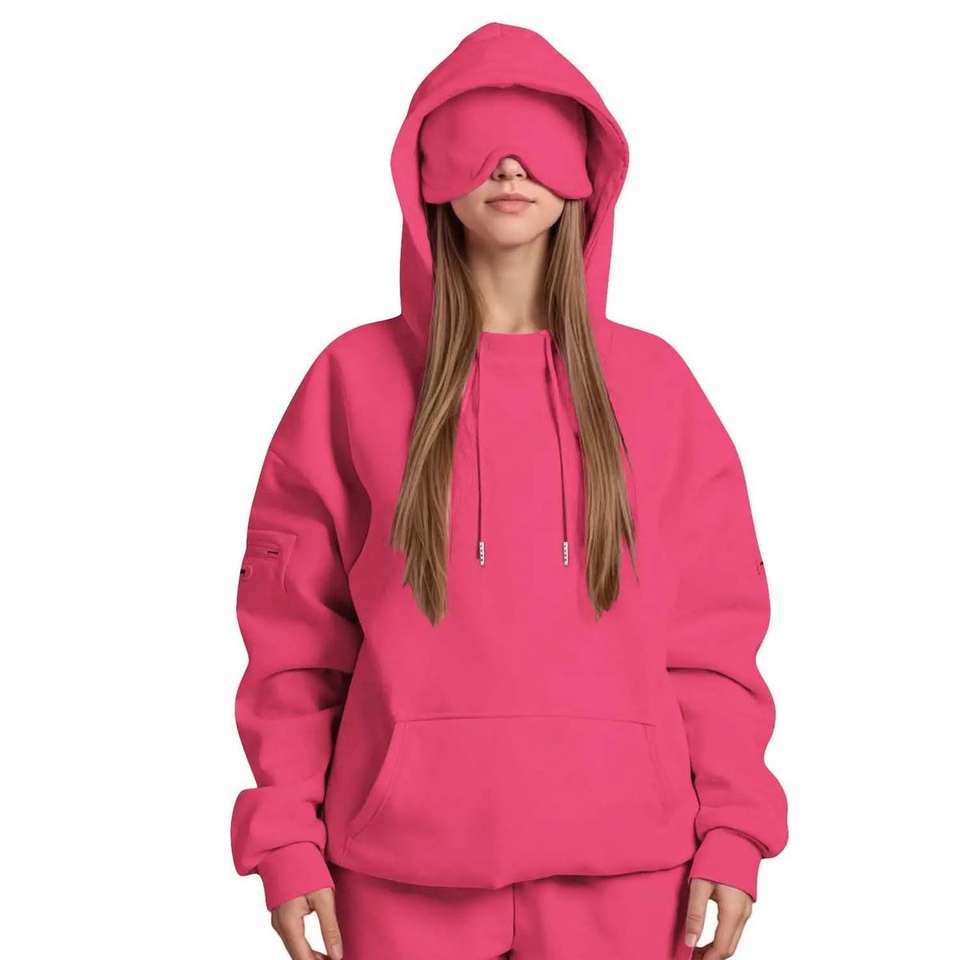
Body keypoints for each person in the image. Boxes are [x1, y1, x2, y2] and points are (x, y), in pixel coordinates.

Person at [230, 21, 788, 960]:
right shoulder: (351, 382)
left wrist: (734, 829)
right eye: (478, 141)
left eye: (537, 142)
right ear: (425, 175)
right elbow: (294, 644)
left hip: (633, 869)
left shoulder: (656, 388)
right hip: (397, 869)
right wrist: (285, 838)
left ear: (587, 174)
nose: (510, 166)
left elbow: (714, 641)